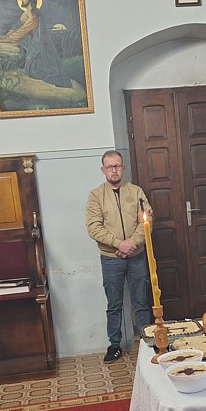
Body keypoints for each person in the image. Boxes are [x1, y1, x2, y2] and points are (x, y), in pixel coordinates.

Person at [85, 150, 153, 363]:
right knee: (114, 304)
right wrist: (118, 244)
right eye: (110, 167)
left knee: (141, 302)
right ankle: (114, 345)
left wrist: (132, 243)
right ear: (103, 170)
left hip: (137, 256)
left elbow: (147, 220)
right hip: (111, 258)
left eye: (117, 166)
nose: (114, 170)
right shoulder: (96, 196)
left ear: (123, 168)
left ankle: (147, 343)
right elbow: (93, 227)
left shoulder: (136, 192)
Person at [1, 0, 71, 88]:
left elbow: (22, 31)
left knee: (33, 69)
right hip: (30, 40)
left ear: (30, 1)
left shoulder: (34, 15)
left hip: (38, 42)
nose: (22, 0)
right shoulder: (25, 14)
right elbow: (16, 26)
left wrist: (7, 40)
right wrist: (5, 37)